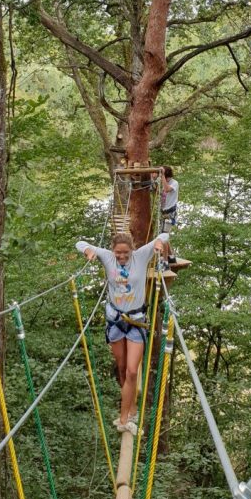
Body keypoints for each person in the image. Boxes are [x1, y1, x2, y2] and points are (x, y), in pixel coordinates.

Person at [76, 230, 168, 435]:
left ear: (132, 250)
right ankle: (130, 403)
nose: (122, 256)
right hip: (116, 321)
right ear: (113, 250)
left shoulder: (142, 256)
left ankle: (124, 418)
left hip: (136, 322)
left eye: (125, 252)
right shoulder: (108, 257)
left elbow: (164, 235)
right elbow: (80, 243)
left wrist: (160, 242)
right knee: (122, 367)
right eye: (118, 253)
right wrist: (89, 250)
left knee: (133, 371)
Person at [161, 166, 179, 261]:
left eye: (164, 176)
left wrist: (162, 174)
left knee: (163, 236)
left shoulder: (174, 183)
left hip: (170, 213)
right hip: (163, 213)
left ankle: (165, 262)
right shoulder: (162, 182)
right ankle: (171, 257)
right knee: (163, 235)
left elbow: (167, 189)